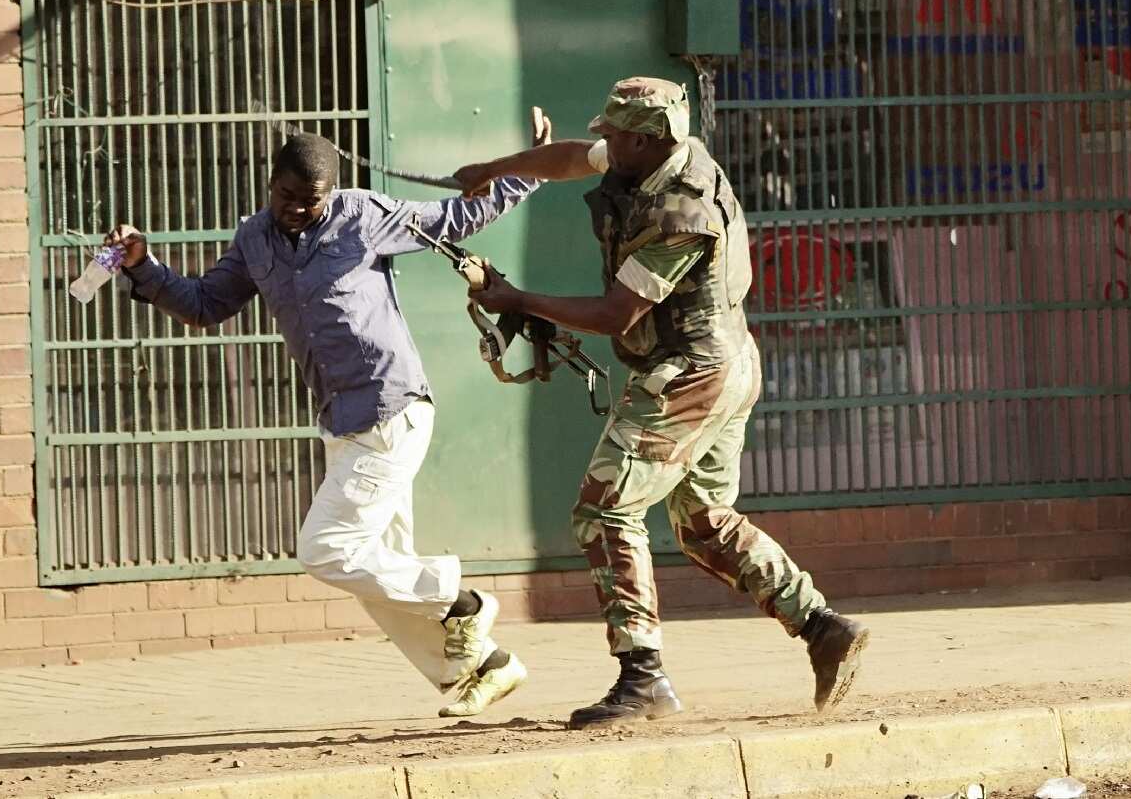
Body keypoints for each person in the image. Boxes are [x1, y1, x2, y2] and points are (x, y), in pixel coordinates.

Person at [454, 77, 870, 729]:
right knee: (703, 521)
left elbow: (618, 313)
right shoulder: (656, 152)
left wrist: (517, 299)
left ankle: (642, 677)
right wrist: (494, 171)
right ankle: (822, 627)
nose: (603, 140)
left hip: (690, 376)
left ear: (646, 140)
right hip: (726, 361)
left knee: (605, 509)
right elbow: (570, 158)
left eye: (613, 133)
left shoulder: (682, 211)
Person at [106, 129, 540, 717]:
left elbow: (454, 219)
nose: (297, 209)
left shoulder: (362, 215)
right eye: (287, 195)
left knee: (326, 550)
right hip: (341, 422)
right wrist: (145, 266)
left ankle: (459, 602)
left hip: (392, 411)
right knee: (373, 570)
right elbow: (205, 305)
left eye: (311, 200)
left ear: (329, 193)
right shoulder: (254, 239)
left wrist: (535, 168)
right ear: (270, 184)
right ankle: (484, 665)